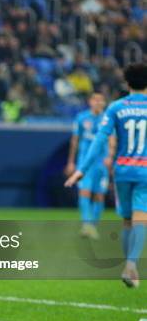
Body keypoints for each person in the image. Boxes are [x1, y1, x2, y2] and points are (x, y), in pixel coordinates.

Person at [66, 63, 147, 288]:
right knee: (142, 219)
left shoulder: (116, 108)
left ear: (127, 83)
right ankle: (131, 265)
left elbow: (100, 140)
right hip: (145, 170)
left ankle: (128, 264)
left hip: (122, 169)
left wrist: (81, 169)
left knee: (127, 220)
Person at [64, 93, 112, 239]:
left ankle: (93, 226)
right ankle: (86, 224)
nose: (98, 103)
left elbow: (112, 139)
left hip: (101, 162)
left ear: (104, 103)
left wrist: (110, 157)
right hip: (85, 162)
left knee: (98, 195)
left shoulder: (108, 119)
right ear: (90, 101)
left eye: (101, 100)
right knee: (84, 191)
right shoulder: (81, 118)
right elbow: (75, 140)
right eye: (95, 100)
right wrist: (71, 162)